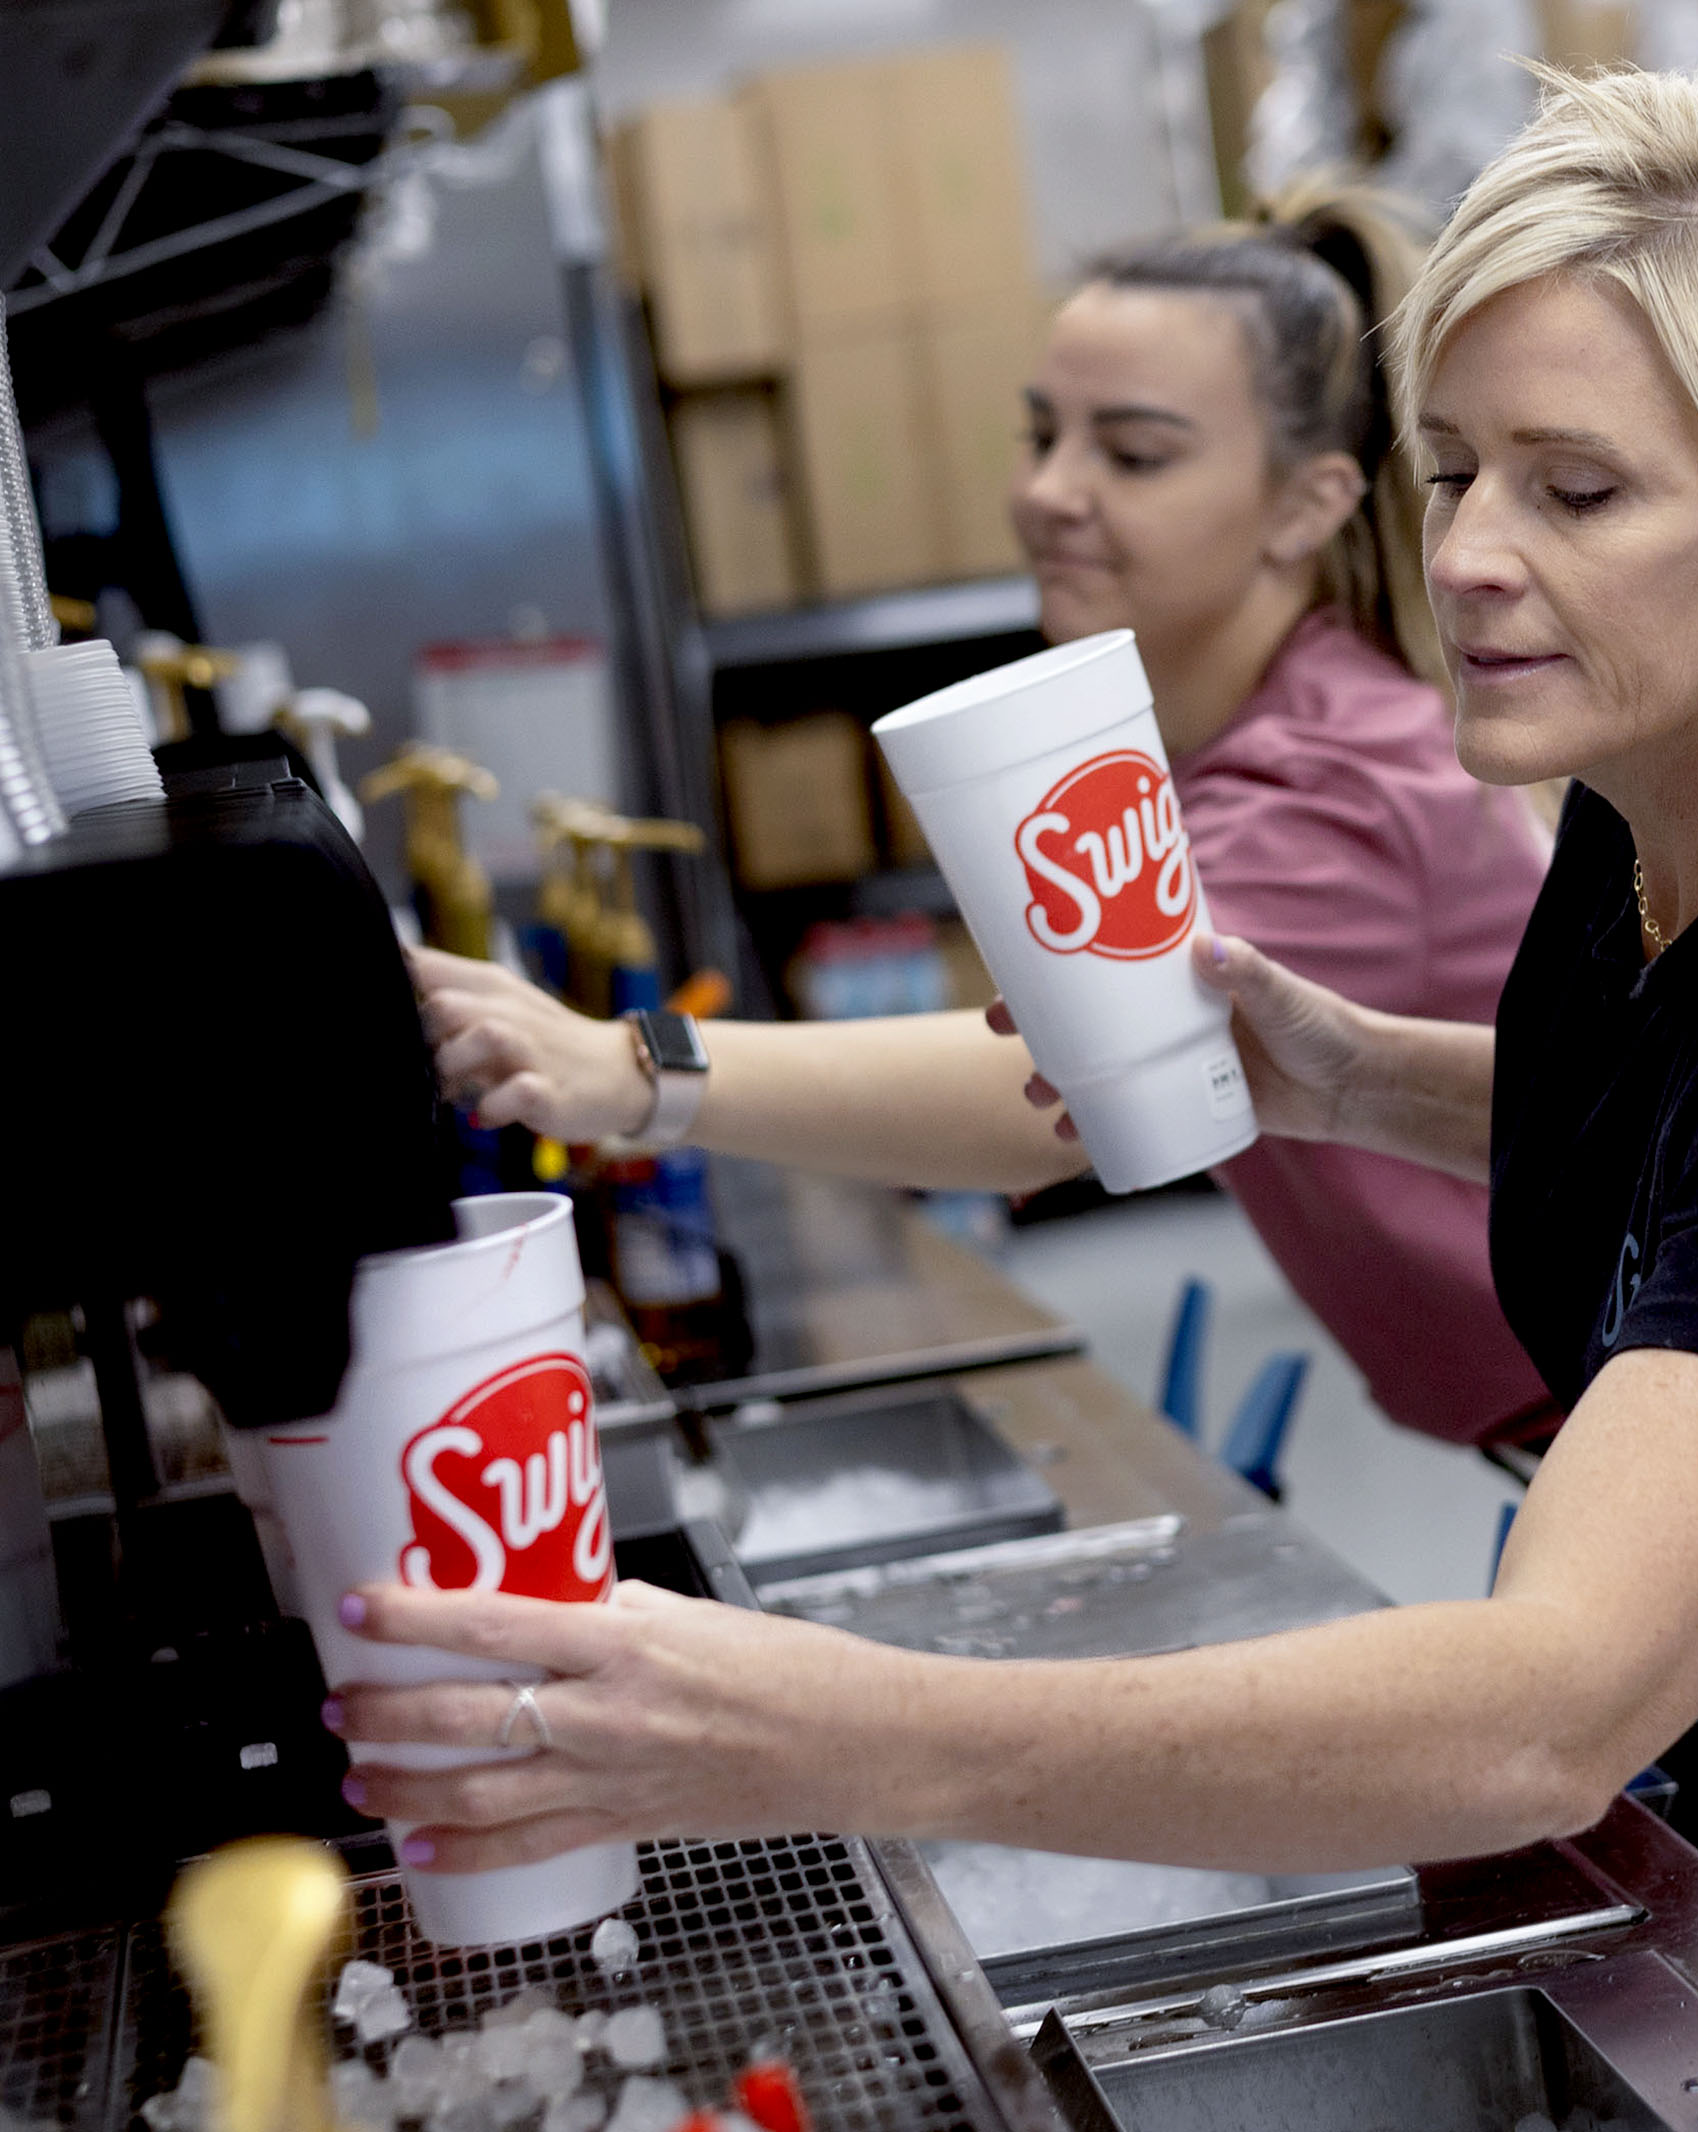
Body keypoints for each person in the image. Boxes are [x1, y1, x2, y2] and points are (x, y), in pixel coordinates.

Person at [331, 57, 1698, 2060]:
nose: (1471, 554)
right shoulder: (1683, 779)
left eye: (1579, 490)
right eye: (1459, 469)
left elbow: (1544, 1710)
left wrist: (804, 1725)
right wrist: (1345, 1077)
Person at [415, 186, 1558, 1448]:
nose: (1050, 492)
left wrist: (636, 1070)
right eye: (1041, 435)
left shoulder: (1344, 781)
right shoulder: (1230, 731)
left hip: (1618, 1391)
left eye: (1133, 455)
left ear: (1309, 503)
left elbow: (1046, 1090)